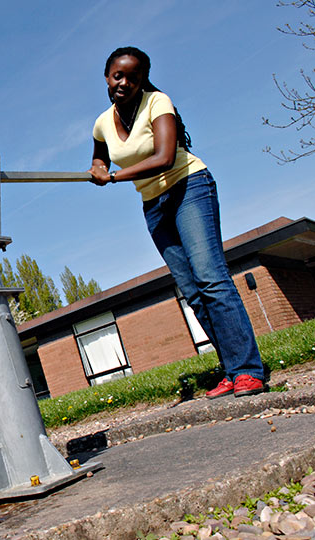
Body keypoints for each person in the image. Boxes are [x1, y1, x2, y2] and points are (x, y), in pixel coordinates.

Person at [88, 46, 265, 399]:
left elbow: (165, 157)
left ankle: (248, 371)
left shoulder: (158, 102)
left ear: (142, 80)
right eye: (117, 75)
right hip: (154, 205)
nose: (124, 82)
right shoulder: (102, 123)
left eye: (132, 76)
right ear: (107, 77)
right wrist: (98, 168)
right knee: (193, 292)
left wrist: (115, 177)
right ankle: (232, 370)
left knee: (210, 278)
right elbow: (99, 158)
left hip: (189, 188)